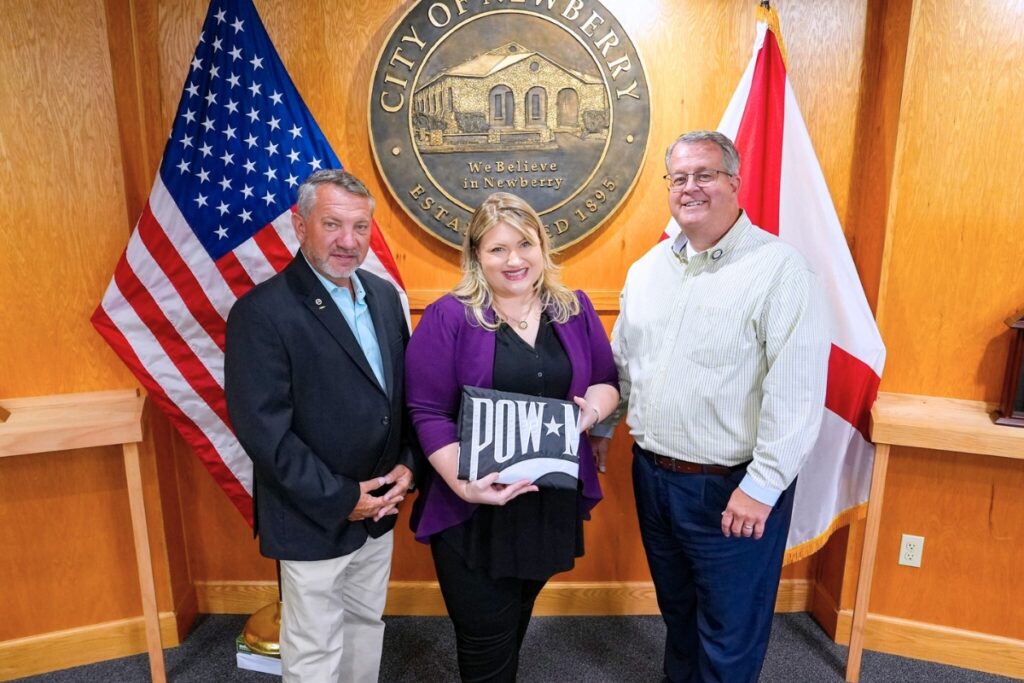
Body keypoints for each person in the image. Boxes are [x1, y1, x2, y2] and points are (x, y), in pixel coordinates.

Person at [591, 130, 831, 682]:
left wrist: (763, 485)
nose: (690, 187)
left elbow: (796, 396)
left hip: (733, 490)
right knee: (679, 618)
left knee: (729, 635)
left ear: (734, 182)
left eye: (705, 174)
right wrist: (605, 425)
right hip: (654, 479)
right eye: (679, 177)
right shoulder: (647, 270)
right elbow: (625, 362)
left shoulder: (781, 270)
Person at [405, 192, 619, 682]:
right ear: (476, 255)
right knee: (485, 644)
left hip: (547, 503)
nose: (515, 259)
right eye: (497, 249)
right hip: (474, 509)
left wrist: (592, 413)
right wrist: (464, 484)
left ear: (543, 246)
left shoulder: (574, 309)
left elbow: (606, 380)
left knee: (514, 624)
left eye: (525, 244)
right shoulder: (450, 316)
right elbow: (427, 411)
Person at [224, 169, 416, 683]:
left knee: (363, 627)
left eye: (359, 226)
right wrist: (340, 498)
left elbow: (398, 399)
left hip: (379, 510)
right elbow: (265, 433)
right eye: (332, 224)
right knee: (313, 652)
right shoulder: (260, 314)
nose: (348, 241)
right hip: (312, 517)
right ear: (299, 224)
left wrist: (407, 466)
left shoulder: (382, 295)